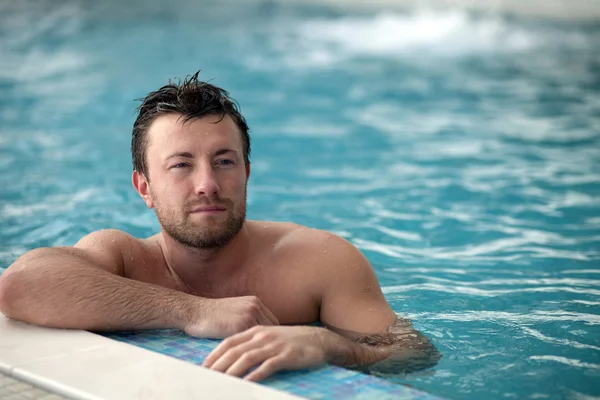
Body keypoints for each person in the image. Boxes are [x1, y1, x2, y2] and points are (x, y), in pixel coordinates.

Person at [0, 71, 440, 382]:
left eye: (224, 161)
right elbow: (19, 286)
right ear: (144, 187)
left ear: (246, 172)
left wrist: (329, 346)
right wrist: (194, 311)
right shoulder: (124, 258)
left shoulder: (318, 260)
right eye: (181, 165)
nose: (207, 185)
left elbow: (412, 355)